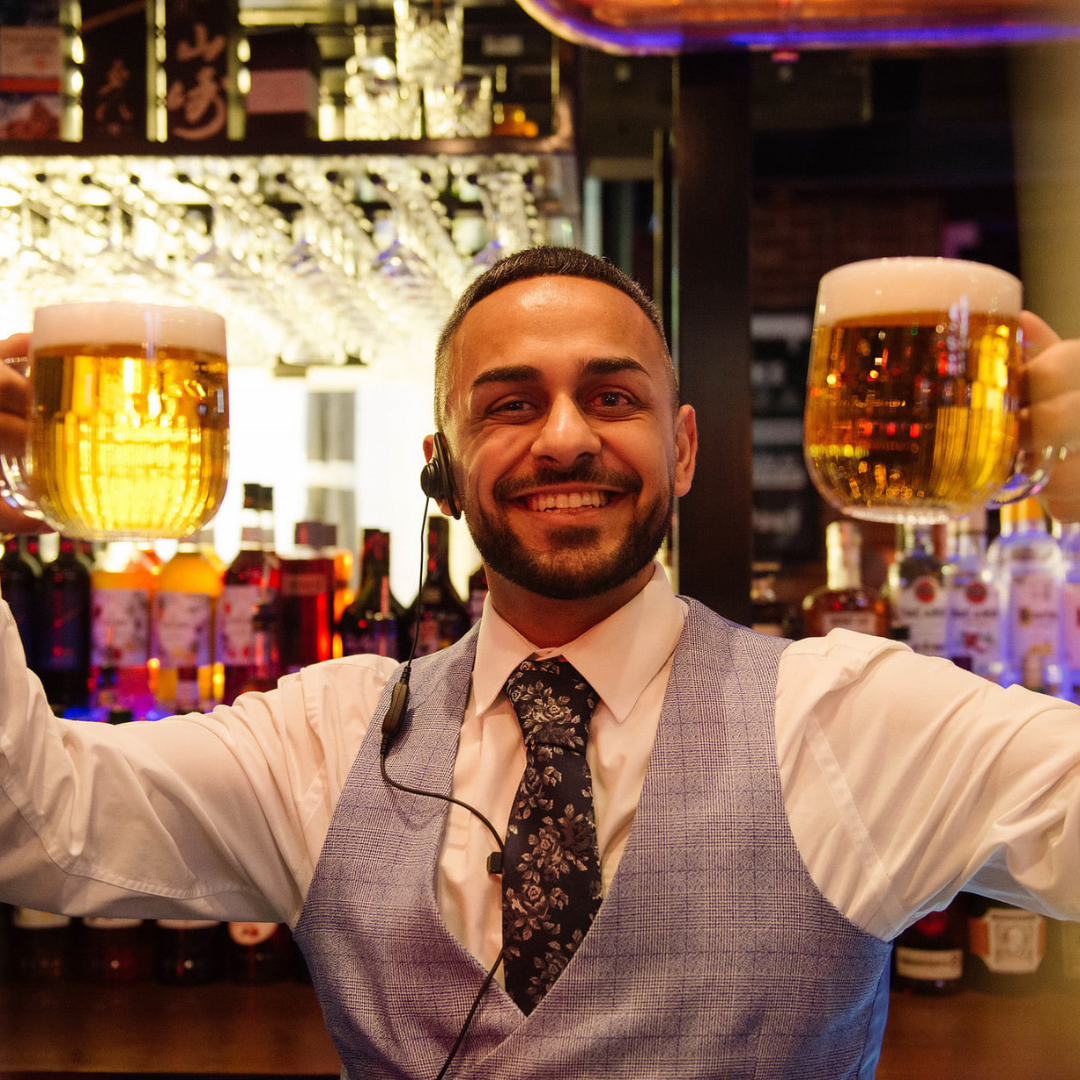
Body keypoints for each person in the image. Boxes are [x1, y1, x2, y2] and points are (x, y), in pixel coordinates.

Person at [3, 246, 1080, 1080]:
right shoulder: (326, 738)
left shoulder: (850, 717)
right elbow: (33, 822)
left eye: (613, 397)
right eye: (510, 404)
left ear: (685, 448)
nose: (565, 438)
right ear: (443, 468)